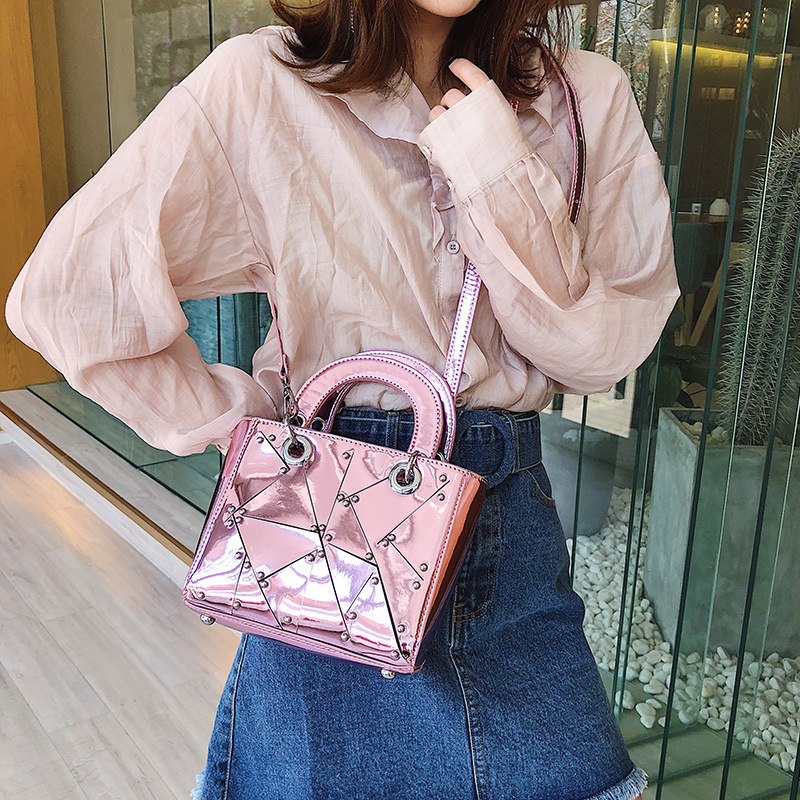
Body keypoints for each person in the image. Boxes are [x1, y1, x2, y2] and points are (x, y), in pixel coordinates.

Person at [4, 0, 681, 796]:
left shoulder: (582, 97)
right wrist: (244, 431)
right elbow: (71, 296)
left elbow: (601, 355)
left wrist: (497, 171)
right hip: (331, 529)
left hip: (507, 539)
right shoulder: (263, 84)